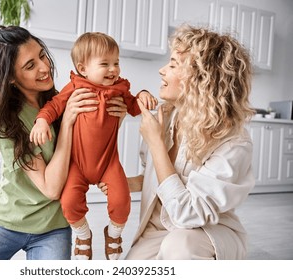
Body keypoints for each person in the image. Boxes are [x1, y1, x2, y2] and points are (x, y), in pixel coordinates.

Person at [0, 26, 127, 260]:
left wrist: (118, 117)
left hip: (53, 227)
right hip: (9, 220)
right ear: (11, 78)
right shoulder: (7, 121)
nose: (45, 67)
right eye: (30, 65)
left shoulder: (63, 99)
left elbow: (91, 150)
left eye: (42, 55)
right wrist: (66, 123)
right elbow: (51, 188)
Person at [100, 25, 256, 259]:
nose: (162, 70)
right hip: (158, 230)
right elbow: (161, 179)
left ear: (202, 79)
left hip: (202, 233)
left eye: (173, 65)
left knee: (180, 246)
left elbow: (188, 214)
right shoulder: (167, 117)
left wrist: (156, 144)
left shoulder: (233, 141)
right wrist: (125, 183)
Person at [30, 32, 158, 260]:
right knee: (68, 202)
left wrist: (144, 95)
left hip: (108, 162)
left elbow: (134, 106)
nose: (113, 69)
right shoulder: (75, 87)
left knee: (122, 201)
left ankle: (114, 233)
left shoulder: (119, 89)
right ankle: (82, 234)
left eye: (116, 63)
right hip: (76, 164)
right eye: (105, 64)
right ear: (83, 68)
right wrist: (41, 121)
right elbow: (54, 105)